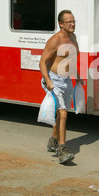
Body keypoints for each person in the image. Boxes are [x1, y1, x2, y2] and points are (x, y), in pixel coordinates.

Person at [39, 10, 83, 164]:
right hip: (54, 80)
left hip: (66, 79)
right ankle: (62, 150)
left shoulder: (73, 37)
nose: (72, 24)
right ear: (61, 24)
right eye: (69, 22)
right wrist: (48, 81)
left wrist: (76, 75)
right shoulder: (55, 40)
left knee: (61, 113)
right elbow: (42, 62)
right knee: (63, 114)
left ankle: (53, 140)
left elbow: (71, 59)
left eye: (73, 21)